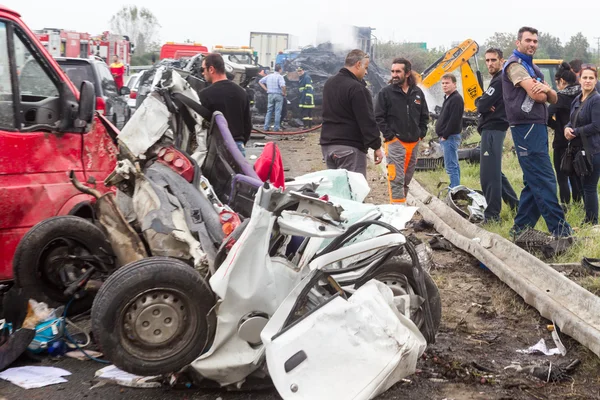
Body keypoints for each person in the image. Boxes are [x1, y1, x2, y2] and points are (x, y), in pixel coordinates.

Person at [502, 26, 571, 237]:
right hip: (526, 128)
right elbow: (539, 96)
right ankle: (561, 233)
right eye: (528, 40)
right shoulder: (515, 65)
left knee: (533, 182)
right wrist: (543, 89)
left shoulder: (533, 67)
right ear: (518, 43)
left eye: (535, 41)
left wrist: (546, 89)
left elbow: (554, 97)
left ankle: (520, 230)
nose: (532, 44)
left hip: (536, 126)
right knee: (544, 179)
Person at [320, 49, 383, 177]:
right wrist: (376, 146)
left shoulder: (329, 83)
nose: (366, 72)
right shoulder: (357, 89)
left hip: (327, 146)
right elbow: (366, 121)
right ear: (358, 64)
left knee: (337, 191)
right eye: (366, 67)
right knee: (354, 192)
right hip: (349, 148)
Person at [375, 58, 429, 204]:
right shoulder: (385, 93)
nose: (394, 74)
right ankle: (397, 211)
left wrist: (421, 134)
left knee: (406, 179)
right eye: (392, 71)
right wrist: (391, 137)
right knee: (396, 179)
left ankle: (402, 209)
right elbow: (379, 117)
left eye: (398, 71)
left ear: (407, 73)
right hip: (395, 143)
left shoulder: (417, 93)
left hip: (414, 143)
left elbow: (424, 116)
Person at [476, 48, 519, 222]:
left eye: (493, 60)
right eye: (487, 60)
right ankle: (516, 206)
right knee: (495, 172)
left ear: (501, 61)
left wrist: (483, 103)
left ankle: (493, 215)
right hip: (493, 129)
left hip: (494, 128)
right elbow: (481, 102)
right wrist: (482, 102)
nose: (489, 63)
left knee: (488, 175)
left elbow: (481, 105)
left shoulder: (500, 80)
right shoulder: (496, 80)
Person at [565, 64, 600, 224]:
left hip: (593, 150)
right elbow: (571, 121)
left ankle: (592, 222)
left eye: (591, 78)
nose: (587, 80)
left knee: (589, 187)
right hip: (578, 150)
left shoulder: (596, 100)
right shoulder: (577, 99)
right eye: (585, 77)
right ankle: (588, 218)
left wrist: (575, 132)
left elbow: (596, 125)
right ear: (580, 79)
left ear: (596, 80)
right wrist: (567, 128)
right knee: (583, 185)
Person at [199, 53, 252, 156]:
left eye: (203, 69)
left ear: (211, 69)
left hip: (216, 150)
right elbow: (248, 124)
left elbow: (201, 126)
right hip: (238, 148)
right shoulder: (241, 92)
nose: (202, 73)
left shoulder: (205, 95)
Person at [548, 62, 582, 207]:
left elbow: (546, 116)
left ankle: (565, 206)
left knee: (562, 176)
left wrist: (559, 128)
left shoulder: (560, 97)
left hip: (562, 143)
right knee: (577, 176)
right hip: (580, 140)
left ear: (562, 81)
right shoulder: (583, 95)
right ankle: (578, 204)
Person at [435, 73, 464, 188]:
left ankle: (454, 190)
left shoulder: (456, 99)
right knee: (454, 165)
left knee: (451, 166)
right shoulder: (448, 98)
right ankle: (456, 188)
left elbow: (454, 120)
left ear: (454, 84)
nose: (444, 85)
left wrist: (445, 135)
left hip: (450, 137)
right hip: (448, 137)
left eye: (447, 83)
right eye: (443, 83)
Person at [259, 64, 286, 132]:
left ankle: (266, 127)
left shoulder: (269, 76)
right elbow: (283, 86)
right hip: (278, 95)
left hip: (270, 95)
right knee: (277, 111)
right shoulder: (280, 77)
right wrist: (284, 93)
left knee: (269, 111)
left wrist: (266, 89)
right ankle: (276, 128)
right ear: (280, 69)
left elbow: (260, 82)